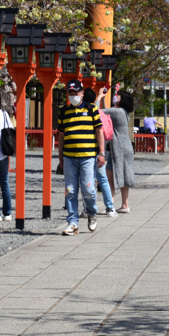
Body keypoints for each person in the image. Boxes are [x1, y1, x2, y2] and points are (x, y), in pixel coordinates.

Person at [56, 80, 105, 235]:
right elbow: (61, 135)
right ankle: (72, 222)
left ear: (82, 93)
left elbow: (99, 131)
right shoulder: (64, 111)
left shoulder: (92, 109)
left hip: (88, 157)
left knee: (88, 189)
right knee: (70, 191)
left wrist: (102, 153)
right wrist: (60, 156)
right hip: (69, 157)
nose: (73, 95)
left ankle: (92, 212)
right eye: (70, 92)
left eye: (76, 92)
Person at [100, 87, 136, 213]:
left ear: (123, 99)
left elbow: (100, 112)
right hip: (125, 147)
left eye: (118, 95)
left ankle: (110, 205)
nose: (115, 96)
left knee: (109, 176)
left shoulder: (118, 112)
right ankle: (125, 205)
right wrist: (104, 99)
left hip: (119, 148)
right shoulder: (123, 112)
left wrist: (99, 97)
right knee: (124, 175)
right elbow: (108, 115)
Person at [84, 88, 117, 218]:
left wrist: (98, 97)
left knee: (88, 180)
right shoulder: (100, 112)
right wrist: (99, 97)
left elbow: (95, 106)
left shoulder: (87, 111)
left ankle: (88, 208)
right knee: (103, 180)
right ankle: (110, 207)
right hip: (100, 150)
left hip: (88, 150)